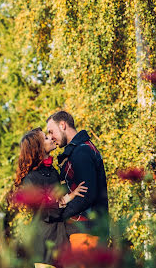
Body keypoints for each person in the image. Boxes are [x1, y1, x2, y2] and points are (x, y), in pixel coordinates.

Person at [13, 127, 87, 268]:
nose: (51, 138)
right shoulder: (30, 179)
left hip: (62, 239)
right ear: (38, 148)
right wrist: (68, 197)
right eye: (46, 138)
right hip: (44, 245)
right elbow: (46, 211)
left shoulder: (53, 171)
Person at [46, 111, 109, 254]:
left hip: (86, 231)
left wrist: (59, 215)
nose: (51, 137)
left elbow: (86, 195)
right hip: (83, 231)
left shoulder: (82, 151)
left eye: (51, 131)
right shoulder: (79, 150)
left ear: (62, 125)